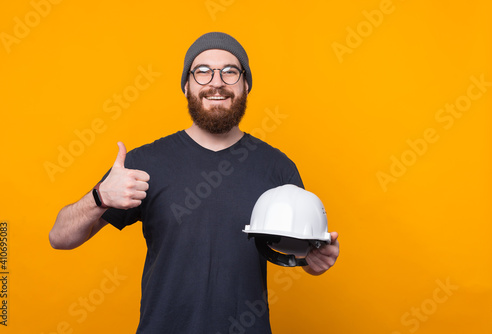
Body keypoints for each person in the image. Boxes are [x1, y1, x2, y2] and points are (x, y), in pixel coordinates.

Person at [49, 32, 340, 334]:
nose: (217, 82)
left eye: (230, 71)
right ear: (186, 85)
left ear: (246, 85)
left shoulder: (278, 169)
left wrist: (315, 260)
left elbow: (302, 254)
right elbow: (60, 237)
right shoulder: (145, 163)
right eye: (202, 71)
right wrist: (100, 197)